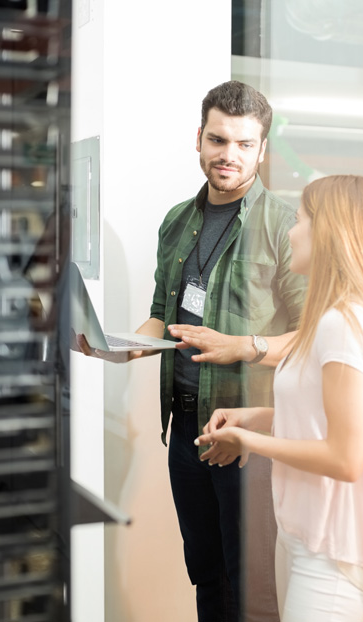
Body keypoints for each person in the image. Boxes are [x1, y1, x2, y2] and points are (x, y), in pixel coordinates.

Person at [76, 80, 306, 621]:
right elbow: (164, 314)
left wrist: (246, 347)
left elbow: (310, 335)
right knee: (204, 570)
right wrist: (122, 349)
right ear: (199, 138)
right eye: (219, 140)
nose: (229, 155)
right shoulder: (177, 221)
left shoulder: (284, 226)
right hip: (186, 428)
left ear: (262, 150)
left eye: (244, 144)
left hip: (248, 435)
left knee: (251, 585)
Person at [193, 175, 363, 622]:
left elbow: (344, 457)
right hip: (302, 532)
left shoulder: (345, 325)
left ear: (328, 233)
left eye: (299, 220)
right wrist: (256, 418)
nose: (290, 231)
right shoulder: (329, 320)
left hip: (332, 549)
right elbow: (322, 417)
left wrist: (250, 442)